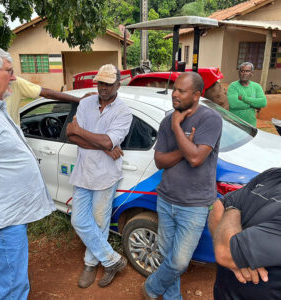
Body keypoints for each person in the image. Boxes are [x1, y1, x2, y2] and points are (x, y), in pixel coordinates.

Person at [0, 45, 55, 299]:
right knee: (13, 286)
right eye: (9, 71)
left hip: (8, 218)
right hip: (2, 221)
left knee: (13, 281)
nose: (13, 77)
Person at [141, 72, 222, 300]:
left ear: (197, 95)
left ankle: (151, 288)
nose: (175, 94)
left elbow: (197, 159)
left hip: (194, 205)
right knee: (167, 255)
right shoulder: (167, 120)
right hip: (166, 200)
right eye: (174, 89)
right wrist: (186, 148)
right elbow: (160, 161)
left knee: (178, 261)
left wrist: (178, 128)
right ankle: (172, 298)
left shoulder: (210, 120)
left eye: (181, 91)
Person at [66, 64, 132, 288]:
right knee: (78, 220)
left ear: (118, 85)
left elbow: (101, 138)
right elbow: (70, 136)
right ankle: (112, 259)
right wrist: (104, 146)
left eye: (108, 83)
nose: (103, 87)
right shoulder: (85, 103)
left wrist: (87, 135)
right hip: (83, 171)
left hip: (106, 175)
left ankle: (90, 263)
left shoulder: (124, 111)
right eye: (100, 83)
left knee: (100, 222)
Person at [208, 168, 281, 300]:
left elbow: (225, 252)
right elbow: (218, 206)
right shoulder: (272, 175)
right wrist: (231, 210)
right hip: (223, 291)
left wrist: (230, 211)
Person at [5, 76, 82, 125]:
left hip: (14, 138)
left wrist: (79, 99)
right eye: (8, 71)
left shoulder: (15, 82)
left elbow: (47, 93)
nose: (13, 77)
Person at [227, 62, 267, 126]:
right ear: (239, 73)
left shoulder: (257, 86)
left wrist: (244, 98)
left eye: (247, 71)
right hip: (235, 124)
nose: (244, 73)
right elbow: (234, 104)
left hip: (251, 124)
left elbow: (263, 102)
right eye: (242, 71)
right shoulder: (233, 86)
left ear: (252, 73)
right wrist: (253, 105)